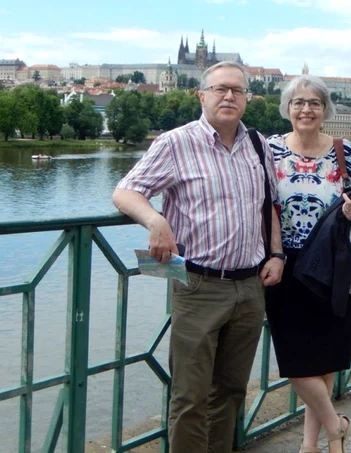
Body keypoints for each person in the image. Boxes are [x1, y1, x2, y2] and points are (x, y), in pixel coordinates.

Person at [112, 61, 285, 453]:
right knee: (190, 397)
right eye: (220, 89)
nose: (229, 96)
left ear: (247, 99)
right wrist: (155, 219)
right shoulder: (176, 142)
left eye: (237, 91)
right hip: (198, 284)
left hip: (250, 284)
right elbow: (125, 192)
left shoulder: (258, 144)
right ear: (201, 94)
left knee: (230, 392)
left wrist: (276, 254)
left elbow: (270, 206)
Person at [265, 75, 351, 453]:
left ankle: (311, 446)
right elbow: (261, 203)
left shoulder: (345, 152)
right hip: (283, 262)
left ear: (325, 110)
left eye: (314, 103)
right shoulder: (269, 149)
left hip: (334, 263)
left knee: (322, 359)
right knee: (295, 359)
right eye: (298, 102)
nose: (306, 109)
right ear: (287, 108)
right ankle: (336, 426)